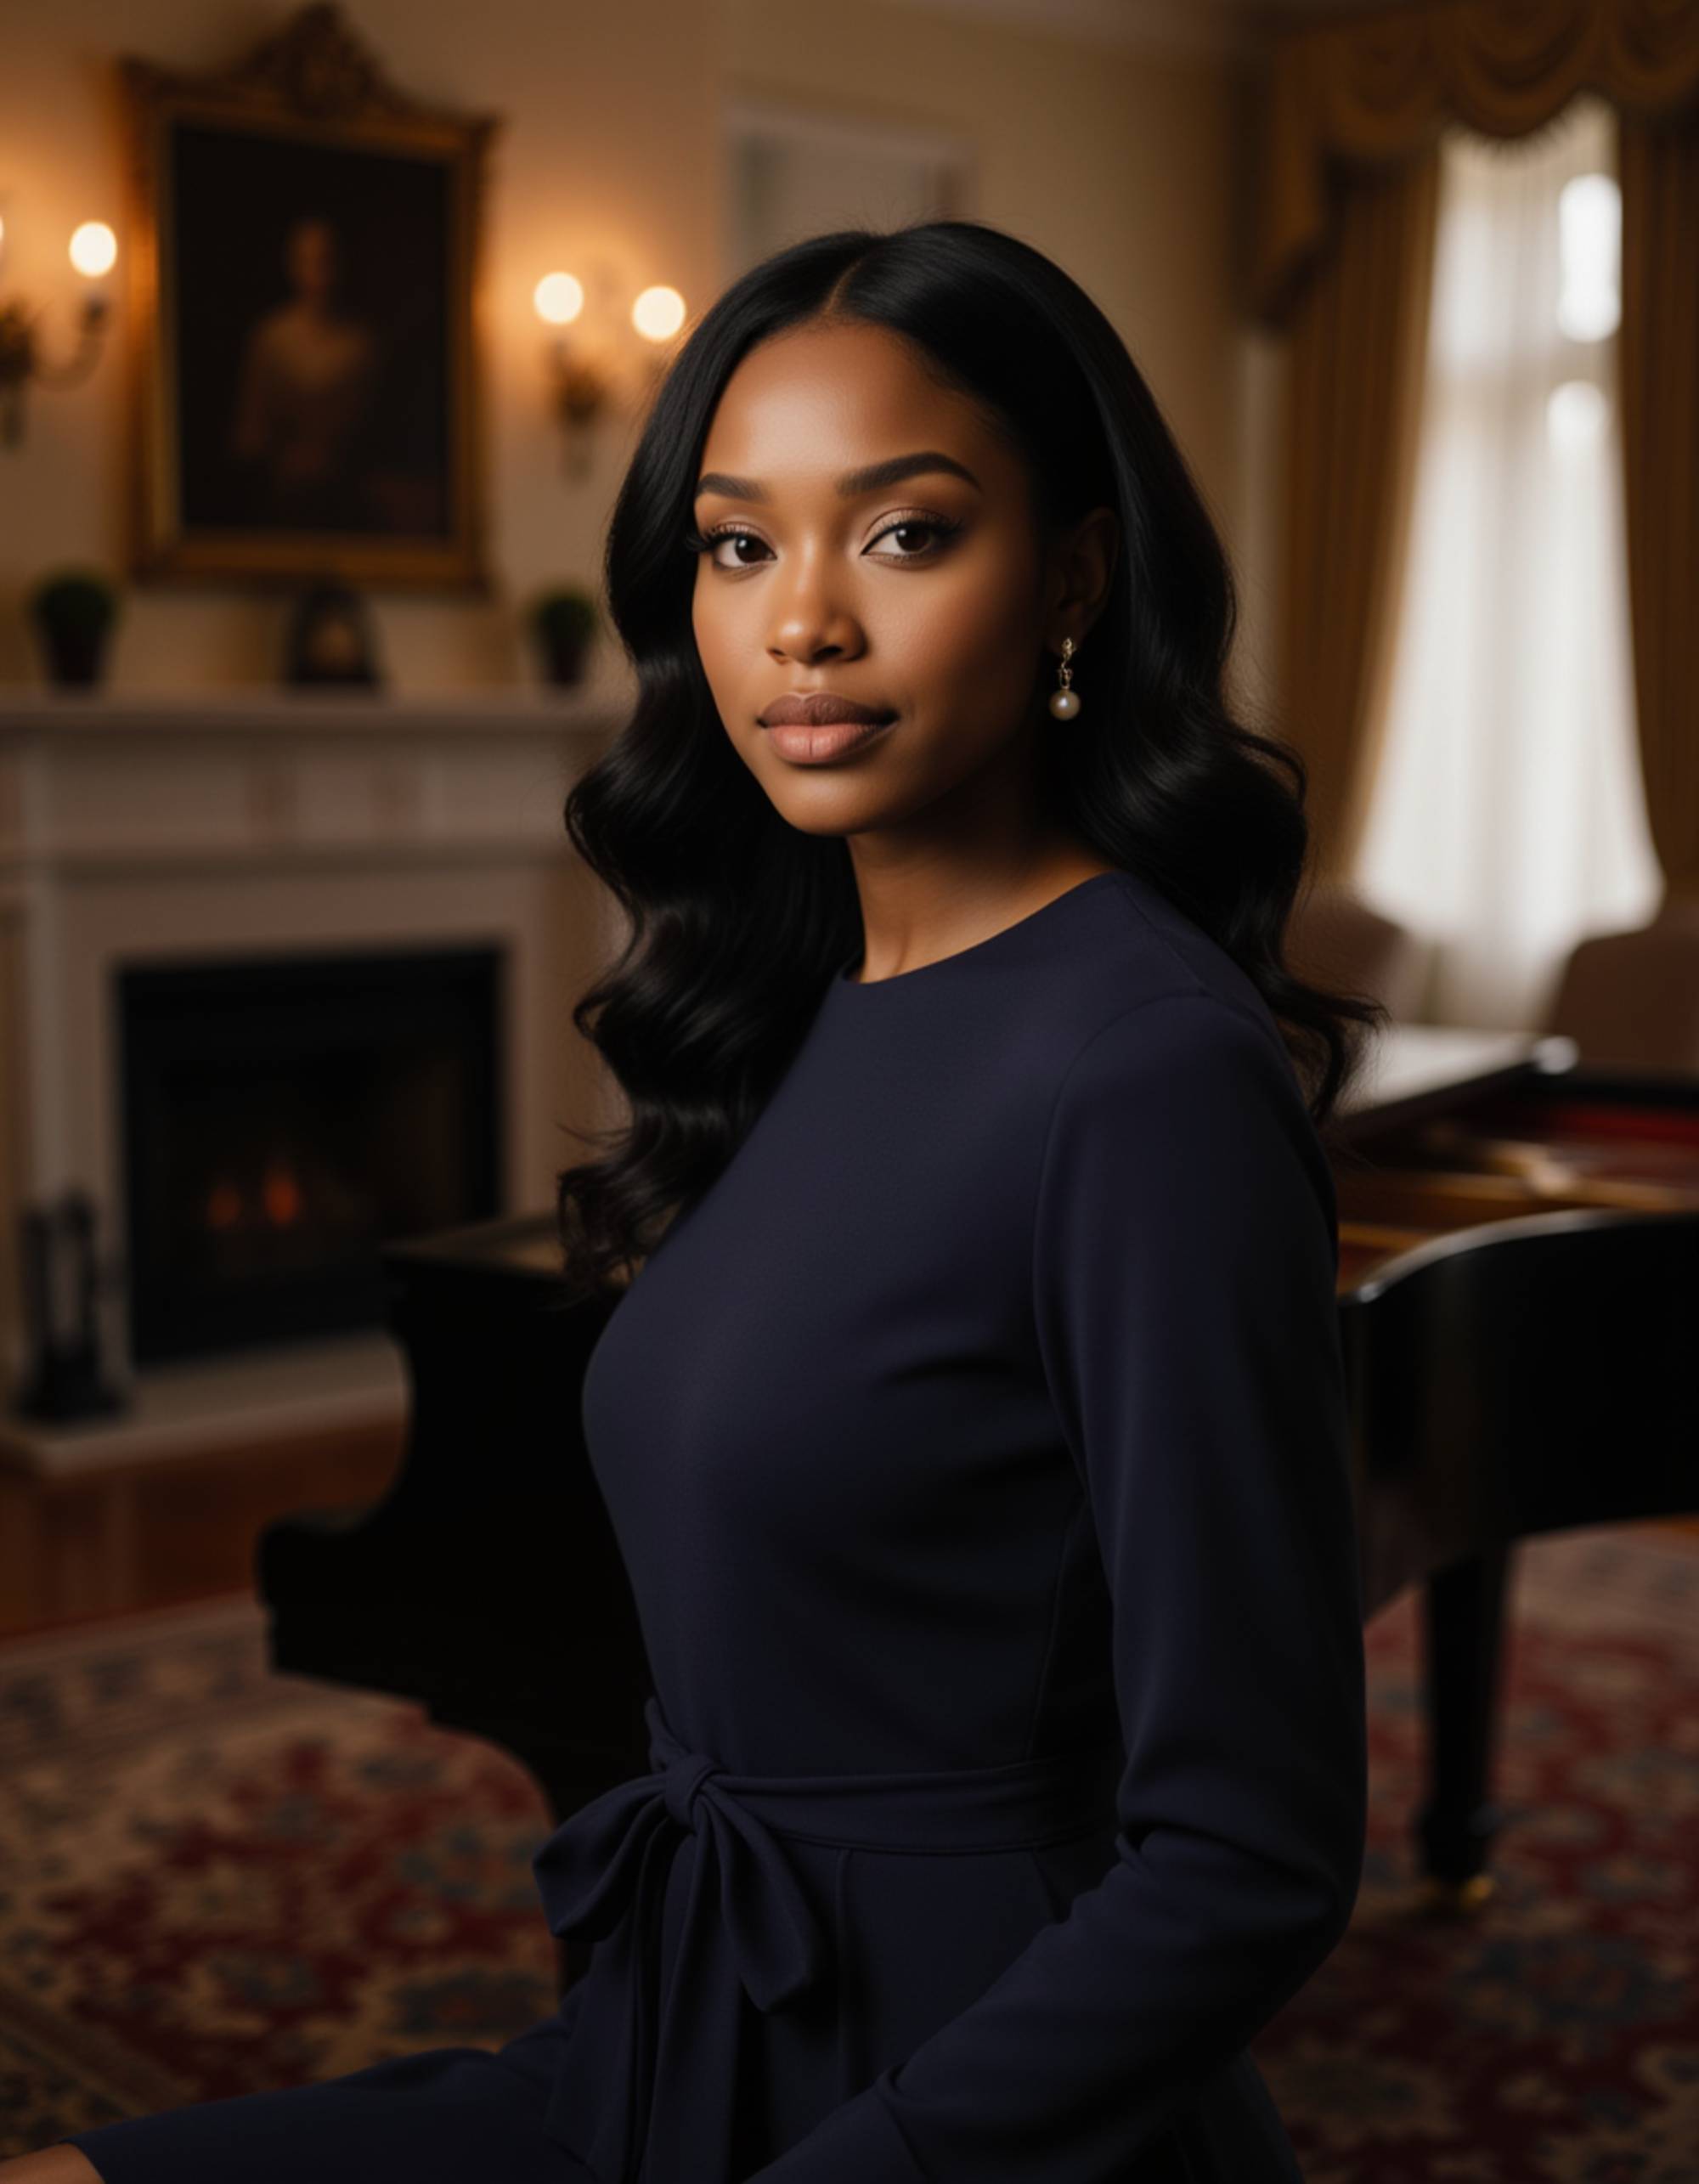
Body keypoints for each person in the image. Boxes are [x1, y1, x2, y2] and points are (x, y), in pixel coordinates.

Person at [11, 217, 1380, 2184]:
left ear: (1074, 571)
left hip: (969, 2122)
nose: (799, 622)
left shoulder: (1141, 1070)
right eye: (740, 544)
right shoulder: (805, 1008)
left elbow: (1252, 1856)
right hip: (682, 2045)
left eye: (903, 535)